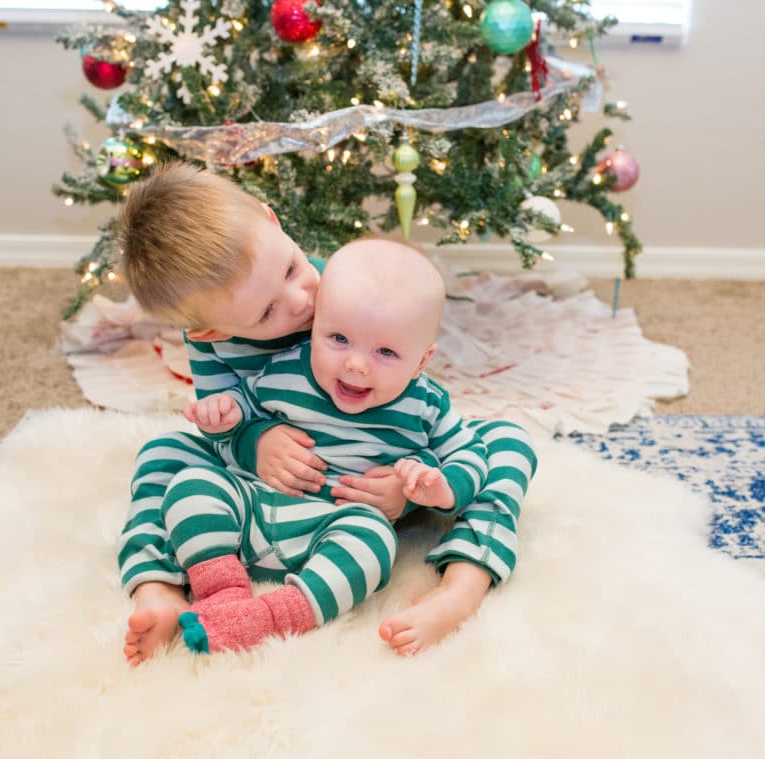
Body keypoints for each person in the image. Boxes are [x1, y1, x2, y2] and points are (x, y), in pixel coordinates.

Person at [116, 162, 537, 664]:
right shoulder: (212, 345)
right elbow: (226, 420)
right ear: (212, 331)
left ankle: (464, 584)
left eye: (293, 268)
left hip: (376, 479)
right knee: (166, 451)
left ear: (274, 224)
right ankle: (158, 585)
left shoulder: (343, 279)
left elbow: (408, 380)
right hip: (271, 486)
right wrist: (254, 439)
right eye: (266, 312)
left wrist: (411, 494)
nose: (302, 300)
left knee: (507, 444)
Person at [164, 238, 489, 654]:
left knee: (375, 543)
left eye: (386, 351)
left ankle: (274, 616)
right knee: (193, 485)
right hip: (256, 507)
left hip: (337, 526)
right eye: (338, 339)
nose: (355, 364)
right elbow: (240, 412)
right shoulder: (283, 370)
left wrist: (441, 488)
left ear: (421, 361)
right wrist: (223, 415)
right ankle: (222, 593)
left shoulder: (424, 402)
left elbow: (471, 453)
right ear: (315, 326)